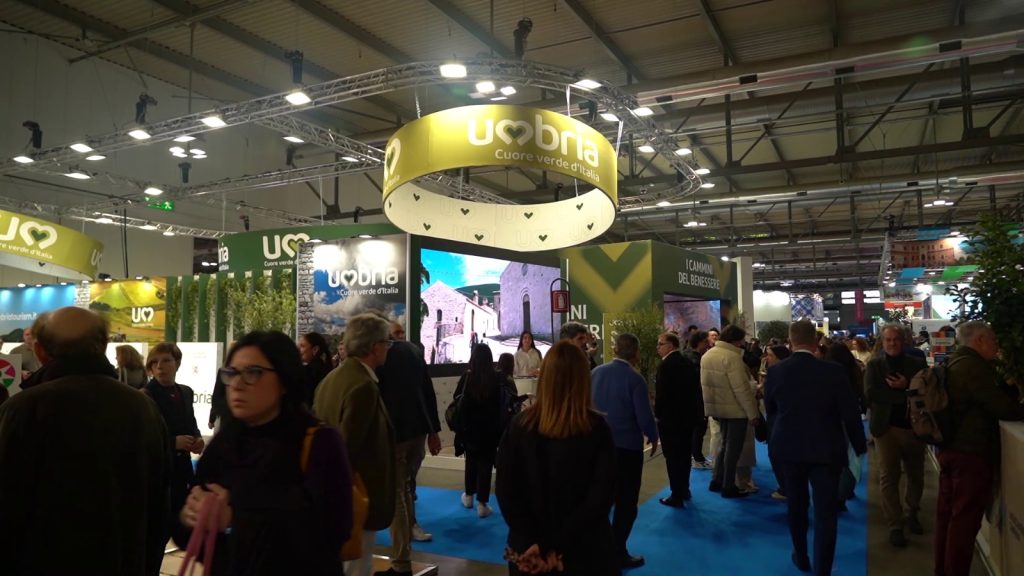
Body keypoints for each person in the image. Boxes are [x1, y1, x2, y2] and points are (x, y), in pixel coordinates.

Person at [0, 307, 169, 576]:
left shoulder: (21, 410)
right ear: (103, 345)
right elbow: (158, 505)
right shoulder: (144, 409)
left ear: (40, 351)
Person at [177, 331, 353, 575]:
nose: (237, 384)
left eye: (253, 373)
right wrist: (190, 517)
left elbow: (329, 537)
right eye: (232, 373)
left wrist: (234, 520)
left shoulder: (319, 443)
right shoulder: (224, 444)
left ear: (284, 380)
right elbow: (190, 534)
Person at [496, 341, 617, 576]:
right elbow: (600, 498)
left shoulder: (520, 426)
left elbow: (506, 491)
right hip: (582, 551)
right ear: (583, 379)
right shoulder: (596, 429)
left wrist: (533, 541)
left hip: (529, 553)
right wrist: (555, 545)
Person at [766, 320, 867, 576]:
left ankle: (801, 555)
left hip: (789, 448)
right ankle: (823, 569)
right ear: (816, 341)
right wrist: (859, 445)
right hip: (826, 449)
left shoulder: (776, 372)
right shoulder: (834, 372)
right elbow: (850, 412)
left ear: (790, 341)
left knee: (796, 506)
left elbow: (771, 408)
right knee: (825, 514)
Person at [935, 321, 1024, 576]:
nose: (997, 344)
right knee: (964, 523)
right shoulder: (973, 368)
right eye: (993, 339)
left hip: (951, 450)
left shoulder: (955, 362)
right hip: (970, 455)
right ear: (980, 340)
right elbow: (1001, 407)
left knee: (948, 518)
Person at [314, 313, 396, 576]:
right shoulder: (363, 386)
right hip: (356, 497)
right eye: (386, 342)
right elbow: (347, 449)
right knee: (357, 566)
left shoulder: (332, 379)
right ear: (374, 347)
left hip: (336, 497)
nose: (388, 348)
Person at [376, 324, 443, 576]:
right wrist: (433, 431)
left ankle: (401, 560)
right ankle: (407, 541)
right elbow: (427, 392)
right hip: (417, 432)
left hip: (395, 434)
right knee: (407, 489)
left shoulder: (380, 357)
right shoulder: (414, 352)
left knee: (398, 494)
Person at [591, 333, 658, 569]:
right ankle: (617, 550)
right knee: (626, 503)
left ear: (615, 349)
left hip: (598, 446)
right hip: (627, 448)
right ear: (636, 353)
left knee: (601, 499)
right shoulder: (635, 379)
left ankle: (598, 548)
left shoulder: (595, 373)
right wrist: (653, 435)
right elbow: (644, 416)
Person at [865, 323, 928, 547]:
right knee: (888, 477)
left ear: (903, 341)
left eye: (896, 339)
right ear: (882, 342)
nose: (892, 343)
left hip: (914, 429)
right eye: (888, 340)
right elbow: (871, 394)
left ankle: (912, 512)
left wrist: (905, 387)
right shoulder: (874, 365)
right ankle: (895, 524)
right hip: (886, 430)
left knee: (916, 475)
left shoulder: (917, 364)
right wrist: (905, 395)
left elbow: (926, 393)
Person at [144, 342, 205, 543]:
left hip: (182, 470)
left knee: (182, 528)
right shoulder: (145, 395)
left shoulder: (185, 392)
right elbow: (144, 437)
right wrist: (172, 443)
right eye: (155, 362)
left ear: (177, 363)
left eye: (166, 360)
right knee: (157, 532)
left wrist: (197, 438)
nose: (160, 366)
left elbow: (190, 423)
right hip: (158, 472)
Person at [701, 324, 759, 498]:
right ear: (735, 340)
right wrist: (753, 414)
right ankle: (728, 486)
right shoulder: (732, 357)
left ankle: (717, 480)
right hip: (735, 410)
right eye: (741, 340)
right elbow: (741, 389)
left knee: (724, 445)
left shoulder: (708, 355)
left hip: (717, 408)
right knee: (733, 449)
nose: (742, 344)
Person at [454, 343, 504, 518]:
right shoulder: (496, 378)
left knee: (471, 461)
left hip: (469, 429)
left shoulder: (467, 377)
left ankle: (468, 496)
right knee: (486, 465)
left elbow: (456, 398)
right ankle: (482, 503)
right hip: (490, 430)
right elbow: (500, 405)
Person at [655, 331, 702, 507]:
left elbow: (662, 395)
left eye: (661, 344)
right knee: (684, 456)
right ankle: (684, 489)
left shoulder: (666, 365)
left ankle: (676, 495)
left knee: (673, 458)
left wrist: (658, 416)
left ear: (671, 345)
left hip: (670, 420)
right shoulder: (687, 362)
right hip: (687, 418)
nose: (658, 348)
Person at [759, 345, 792, 500]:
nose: (767, 358)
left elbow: (769, 402)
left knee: (776, 454)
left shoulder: (774, 373)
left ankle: (785, 488)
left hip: (776, 419)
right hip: (790, 420)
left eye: (770, 355)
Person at [684, 330, 713, 470]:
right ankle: (697, 457)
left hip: (693, 399)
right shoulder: (696, 359)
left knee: (697, 429)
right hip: (697, 399)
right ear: (699, 342)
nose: (708, 344)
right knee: (699, 429)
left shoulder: (688, 356)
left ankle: (695, 456)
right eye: (705, 342)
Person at [299, 332, 333, 406]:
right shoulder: (325, 368)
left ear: (315, 349)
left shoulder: (309, 372)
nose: (298, 349)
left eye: (302, 346)